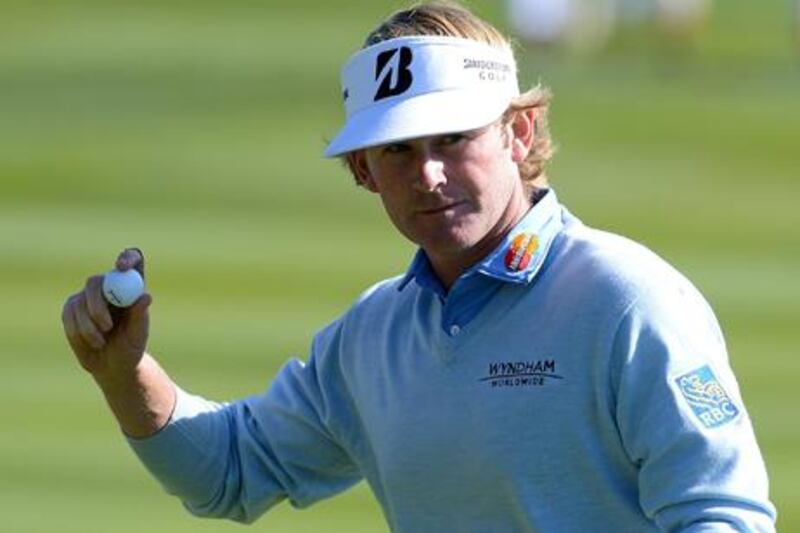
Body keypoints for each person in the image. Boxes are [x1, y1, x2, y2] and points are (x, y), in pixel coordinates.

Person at [61, 1, 777, 530]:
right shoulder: (370, 338)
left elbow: (721, 514)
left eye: (453, 137)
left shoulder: (628, 299)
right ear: (363, 171)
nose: (428, 174)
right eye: (398, 149)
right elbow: (228, 470)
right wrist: (124, 372)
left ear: (518, 130)